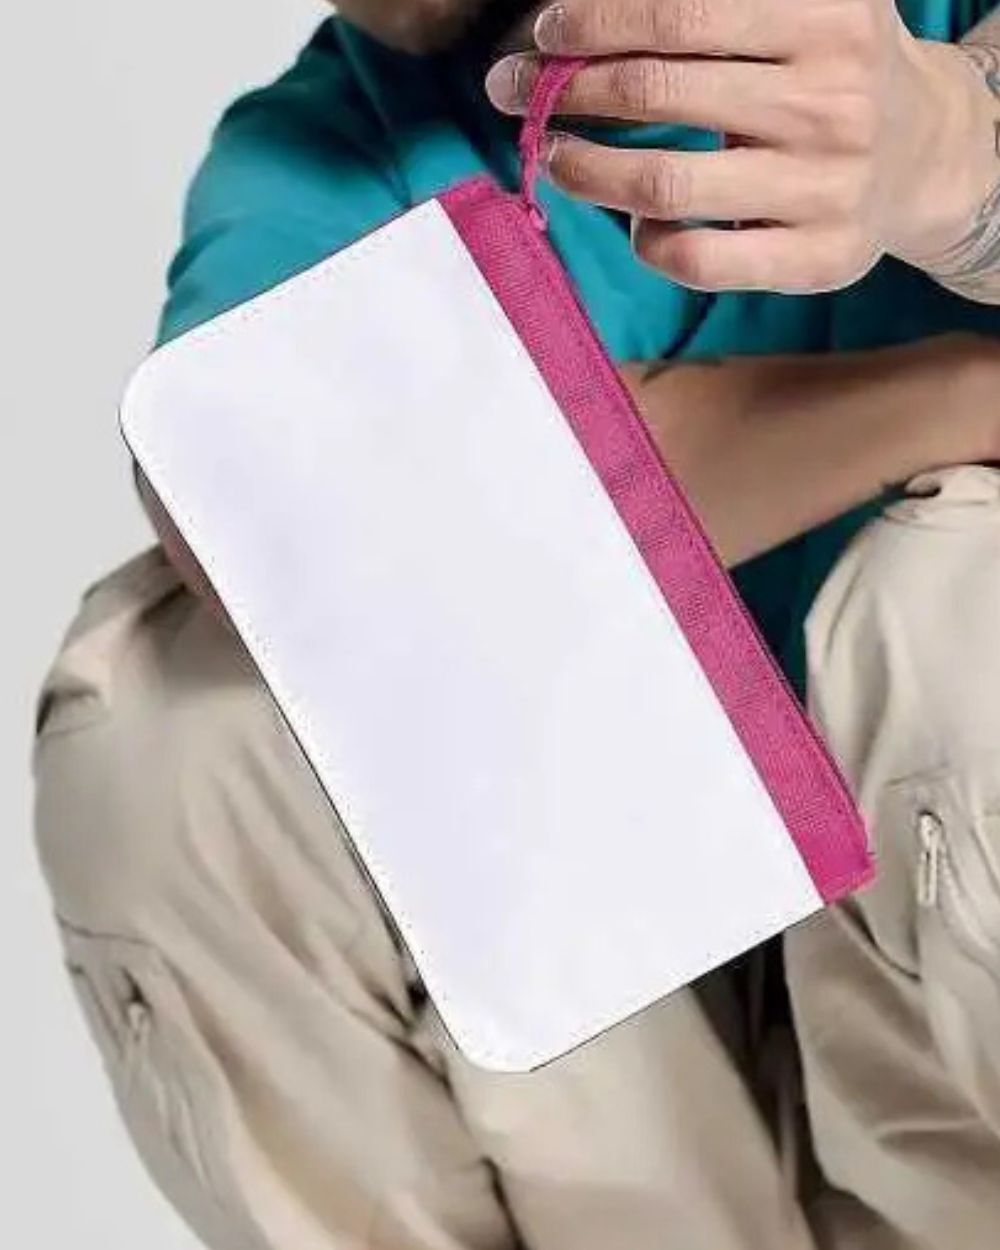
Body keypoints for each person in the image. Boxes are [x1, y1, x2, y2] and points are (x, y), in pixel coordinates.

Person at [32, 2, 1000, 1248]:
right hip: (638, 1028)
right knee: (180, 722)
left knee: (935, 605)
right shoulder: (312, 171)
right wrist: (966, 389)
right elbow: (289, 533)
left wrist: (951, 153)